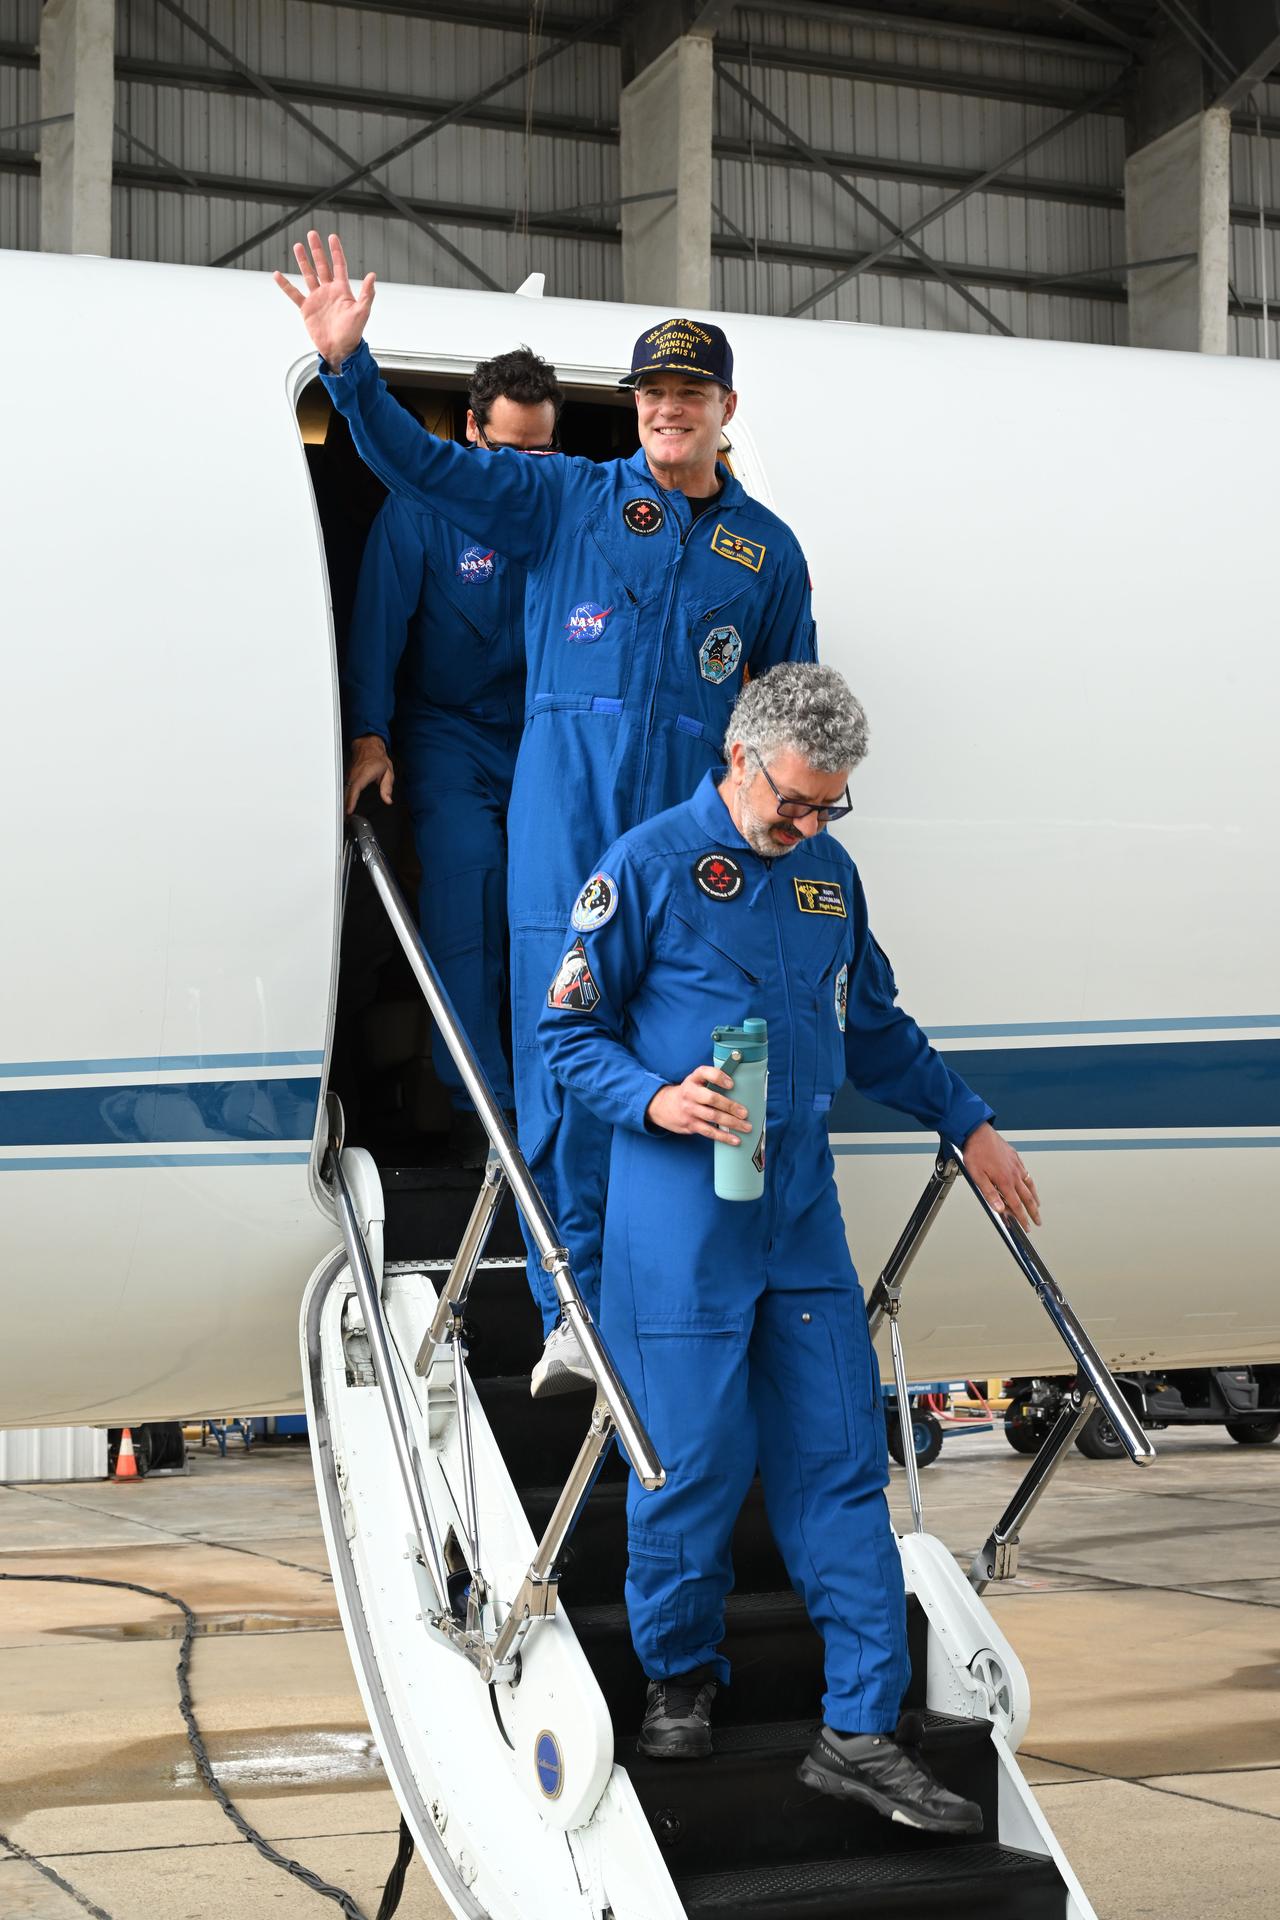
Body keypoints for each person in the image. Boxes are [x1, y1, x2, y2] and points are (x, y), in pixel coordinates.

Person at [276, 233, 818, 1395]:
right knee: (562, 1061)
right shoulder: (565, 498)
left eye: (689, 394)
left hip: (690, 847)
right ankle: (569, 1304)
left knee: (698, 1067)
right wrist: (348, 370)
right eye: (651, 392)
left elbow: (787, 709)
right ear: (633, 407)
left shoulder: (765, 553)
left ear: (724, 410)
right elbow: (427, 469)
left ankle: (690, 1299)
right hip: (562, 832)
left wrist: (790, 831)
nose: (667, 409)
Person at [536, 662, 1040, 1830]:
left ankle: (858, 1729)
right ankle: (677, 1674)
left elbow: (875, 1030)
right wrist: (655, 1099)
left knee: (838, 1464)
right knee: (692, 1462)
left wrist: (966, 1121)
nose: (809, 825)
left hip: (799, 1214)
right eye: (795, 802)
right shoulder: (644, 868)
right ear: (739, 757)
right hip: (679, 1223)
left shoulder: (827, 879)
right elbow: (567, 1037)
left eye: (829, 806)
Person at [343, 348, 564, 1165]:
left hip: (543, 731)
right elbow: (377, 628)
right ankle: (481, 1109)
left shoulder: (570, 505)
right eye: (508, 452)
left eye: (541, 452)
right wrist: (370, 736)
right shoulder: (419, 510)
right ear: (472, 430)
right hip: (447, 731)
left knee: (558, 903)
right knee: (467, 888)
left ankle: (559, 1094)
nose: (525, 472)